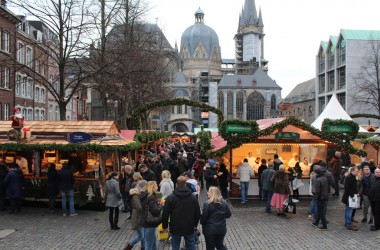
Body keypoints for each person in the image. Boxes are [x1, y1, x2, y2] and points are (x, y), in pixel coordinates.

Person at [162, 176, 201, 250]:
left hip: (175, 226)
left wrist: (165, 226)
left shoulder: (170, 197)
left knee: (175, 246)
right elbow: (198, 212)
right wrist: (195, 224)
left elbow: (165, 213)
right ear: (185, 184)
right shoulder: (192, 198)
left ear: (176, 184)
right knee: (190, 244)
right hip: (189, 225)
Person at [124, 180, 148, 250]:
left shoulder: (139, 194)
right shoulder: (135, 195)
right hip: (137, 218)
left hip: (140, 217)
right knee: (141, 236)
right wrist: (146, 205)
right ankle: (128, 247)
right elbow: (139, 207)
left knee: (143, 234)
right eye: (145, 187)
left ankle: (143, 247)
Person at [140, 181, 162, 250]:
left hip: (145, 221)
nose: (157, 187)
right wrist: (161, 206)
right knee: (149, 245)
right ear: (152, 188)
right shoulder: (151, 197)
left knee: (153, 243)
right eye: (156, 186)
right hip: (150, 223)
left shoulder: (144, 195)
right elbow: (155, 211)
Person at [342, 166, 359, 231]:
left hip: (350, 196)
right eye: (356, 171)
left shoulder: (353, 177)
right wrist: (353, 195)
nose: (357, 172)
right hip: (349, 197)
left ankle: (348, 223)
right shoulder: (348, 178)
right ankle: (349, 224)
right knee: (349, 211)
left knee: (348, 210)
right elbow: (347, 188)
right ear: (352, 171)